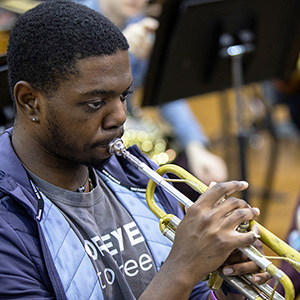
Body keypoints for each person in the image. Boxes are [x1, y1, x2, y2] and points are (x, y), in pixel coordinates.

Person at [0, 1, 267, 299]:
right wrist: (183, 266)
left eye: (124, 95)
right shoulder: (6, 224)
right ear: (29, 101)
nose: (120, 117)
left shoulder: (140, 178)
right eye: (96, 102)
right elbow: (179, 277)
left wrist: (231, 283)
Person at [75, 0, 228, 188]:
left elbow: (168, 96)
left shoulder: (139, 24)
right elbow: (73, 89)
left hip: (120, 132)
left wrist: (195, 146)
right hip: (81, 142)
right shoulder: (71, 20)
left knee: (191, 178)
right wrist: (117, 50)